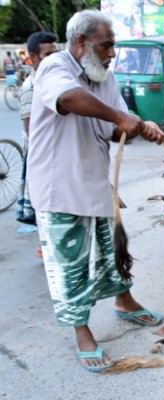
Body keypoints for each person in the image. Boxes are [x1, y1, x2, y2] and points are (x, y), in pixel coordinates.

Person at [26, 10, 164, 372]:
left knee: (110, 251)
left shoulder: (105, 77)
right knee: (70, 266)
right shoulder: (55, 68)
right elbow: (71, 100)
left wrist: (141, 126)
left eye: (112, 46)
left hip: (94, 182)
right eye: (106, 45)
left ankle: (124, 301)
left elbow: (118, 125)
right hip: (59, 188)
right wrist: (121, 118)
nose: (112, 53)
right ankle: (82, 333)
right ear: (81, 42)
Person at [16, 31, 59, 258]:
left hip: (51, 154)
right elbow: (31, 130)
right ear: (33, 58)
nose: (53, 60)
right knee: (43, 203)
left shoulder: (51, 81)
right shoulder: (31, 87)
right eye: (47, 55)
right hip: (39, 155)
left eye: (56, 54)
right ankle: (44, 247)